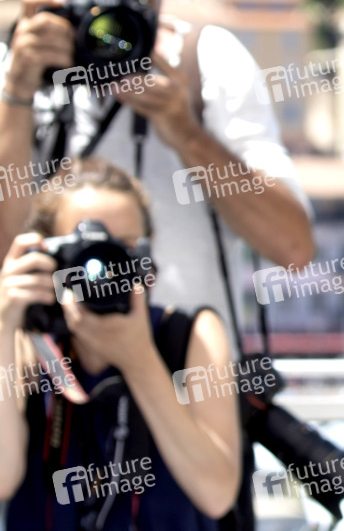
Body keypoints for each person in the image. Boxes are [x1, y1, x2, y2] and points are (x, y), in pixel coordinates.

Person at [0, 0, 315, 343]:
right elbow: (6, 251)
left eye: (134, 6)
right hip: (52, 373)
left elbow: (293, 248)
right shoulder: (15, 72)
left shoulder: (207, 62)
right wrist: (17, 92)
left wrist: (186, 132)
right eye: (92, 11)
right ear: (53, 3)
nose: (112, 32)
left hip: (193, 374)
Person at [0, 157, 240, 530]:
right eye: (86, 250)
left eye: (122, 248)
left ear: (148, 251)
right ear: (50, 255)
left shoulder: (190, 335)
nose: (104, 269)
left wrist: (140, 360)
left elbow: (217, 494)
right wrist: (4, 324)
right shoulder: (28, 342)